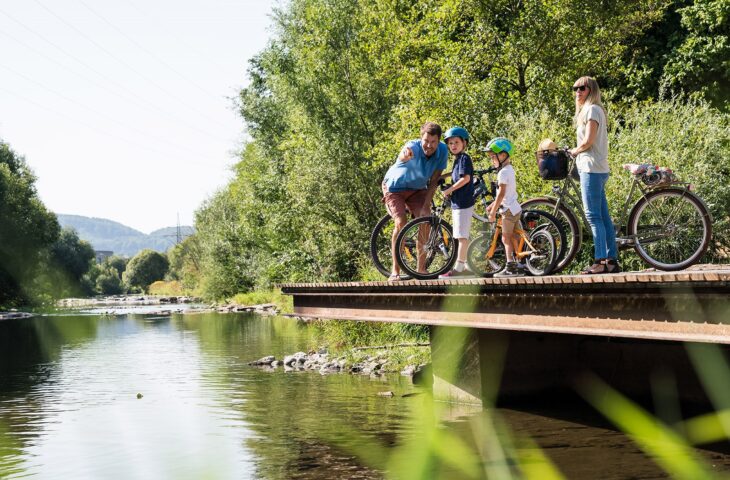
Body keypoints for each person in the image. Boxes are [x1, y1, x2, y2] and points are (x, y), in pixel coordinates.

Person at [382, 122, 448, 281]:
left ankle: (421, 269)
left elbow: (433, 181)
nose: (429, 145)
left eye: (433, 142)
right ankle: (395, 270)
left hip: (418, 189)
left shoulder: (443, 151)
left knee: (425, 220)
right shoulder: (413, 147)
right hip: (394, 188)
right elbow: (404, 154)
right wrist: (404, 156)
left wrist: (426, 206)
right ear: (421, 138)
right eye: (426, 141)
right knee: (401, 223)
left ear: (439, 141)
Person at [569, 76, 620, 274]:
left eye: (582, 88)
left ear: (591, 90)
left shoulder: (592, 110)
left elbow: (589, 140)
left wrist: (574, 150)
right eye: (575, 89)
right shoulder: (590, 111)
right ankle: (611, 260)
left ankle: (599, 261)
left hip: (591, 168)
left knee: (593, 216)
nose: (578, 92)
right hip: (596, 168)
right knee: (604, 218)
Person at [438, 127, 474, 278]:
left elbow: (465, 178)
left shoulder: (464, 158)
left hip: (463, 202)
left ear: (464, 143)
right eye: (450, 143)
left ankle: (459, 269)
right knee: (460, 235)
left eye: (456, 142)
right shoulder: (457, 159)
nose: (453, 145)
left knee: (462, 237)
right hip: (458, 202)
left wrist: (449, 189)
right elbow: (455, 175)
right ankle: (466, 267)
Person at [485, 137, 523, 278]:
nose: (492, 160)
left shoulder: (502, 173)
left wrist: (493, 211)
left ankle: (510, 266)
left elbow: (501, 194)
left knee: (505, 238)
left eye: (493, 157)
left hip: (507, 210)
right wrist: (492, 205)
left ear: (503, 155)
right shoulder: (509, 169)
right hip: (515, 207)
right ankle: (520, 262)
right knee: (515, 236)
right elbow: (505, 194)